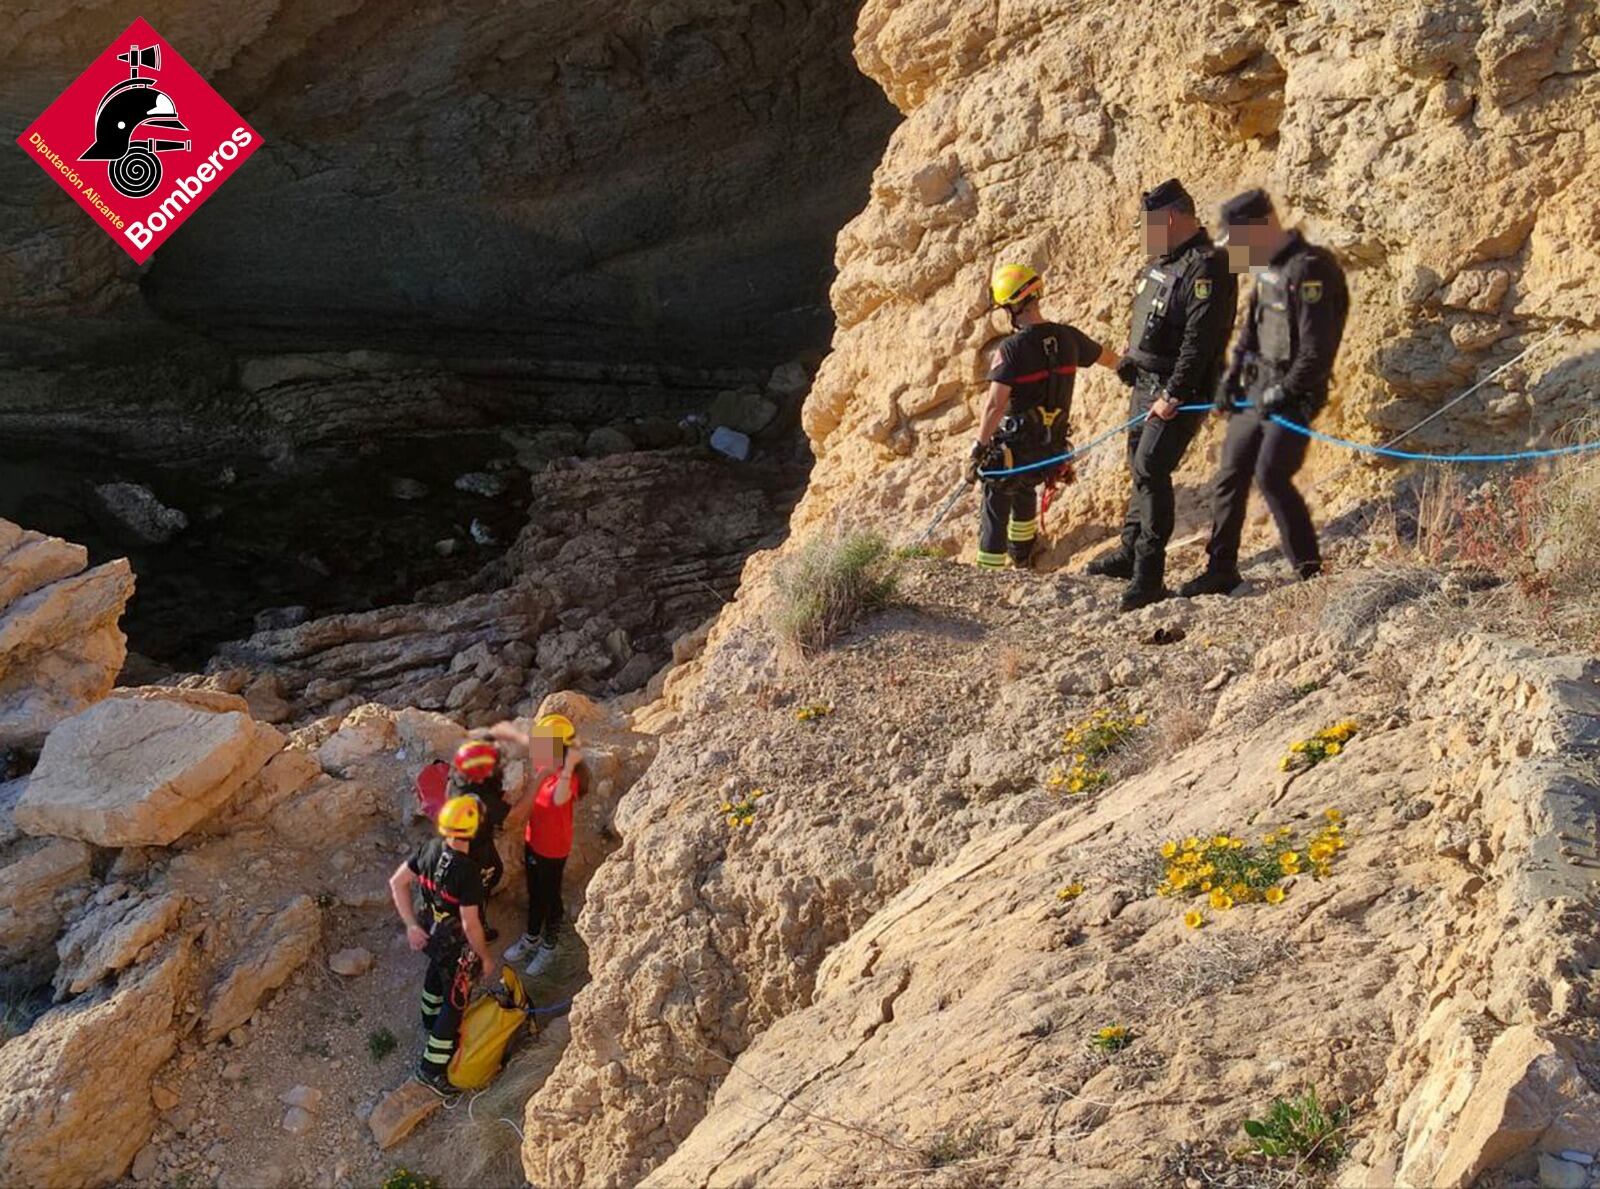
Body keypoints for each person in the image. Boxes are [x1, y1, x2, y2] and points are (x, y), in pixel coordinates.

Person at [1178, 189, 1350, 595]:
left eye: (1237, 240)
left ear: (1261, 228)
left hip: (1294, 395)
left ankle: (1310, 574)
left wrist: (1283, 393)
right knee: (1230, 474)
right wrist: (1231, 378)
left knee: (1271, 475)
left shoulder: (1311, 270)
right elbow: (1250, 333)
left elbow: (1316, 352)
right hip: (1255, 389)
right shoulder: (1267, 269)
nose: (1234, 252)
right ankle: (1221, 569)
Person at [1085, 179, 1237, 611]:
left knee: (1152, 467)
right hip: (1145, 383)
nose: (1145, 233)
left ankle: (1149, 574)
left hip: (1179, 388)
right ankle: (1130, 551)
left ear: (1170, 218)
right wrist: (1132, 360)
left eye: (1150, 223)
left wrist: (1173, 394)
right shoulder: (1164, 262)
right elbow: (1152, 317)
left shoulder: (1209, 265)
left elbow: (1199, 342)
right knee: (1138, 465)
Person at [970, 263, 1121, 569]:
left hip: (1016, 451)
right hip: (1050, 453)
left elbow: (994, 405)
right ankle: (1022, 553)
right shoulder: (1068, 338)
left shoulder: (1012, 349)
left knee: (997, 491)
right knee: (1025, 486)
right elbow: (1112, 360)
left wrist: (978, 448)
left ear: (1013, 306)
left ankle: (988, 570)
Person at [388, 795, 497, 1097]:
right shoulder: (468, 872)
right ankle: (431, 1070)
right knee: (455, 1001)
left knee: (435, 976)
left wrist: (411, 924)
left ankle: (428, 1021)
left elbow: (397, 882)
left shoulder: (430, 849)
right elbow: (470, 924)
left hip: (430, 933)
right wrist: (485, 957)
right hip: (456, 946)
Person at [492, 714, 584, 977]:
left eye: (546, 744)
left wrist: (561, 770)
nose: (539, 749)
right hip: (533, 844)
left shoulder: (567, 779)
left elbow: (560, 797)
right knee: (535, 893)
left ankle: (550, 944)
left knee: (550, 896)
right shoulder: (542, 770)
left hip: (554, 850)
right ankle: (531, 937)